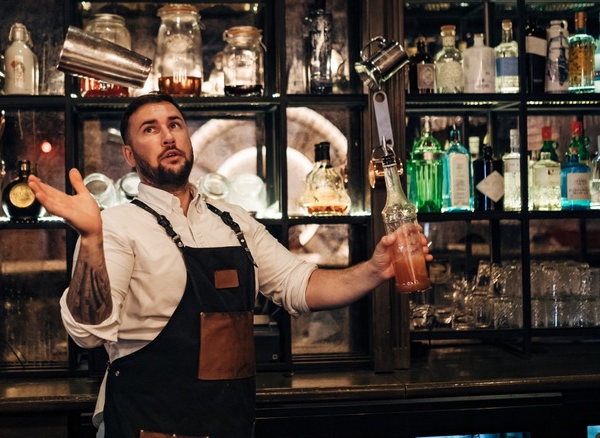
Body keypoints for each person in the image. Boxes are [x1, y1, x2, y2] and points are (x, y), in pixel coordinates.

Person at [27, 92, 432, 437]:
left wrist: (376, 268)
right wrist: (92, 239)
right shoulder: (115, 226)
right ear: (130, 155)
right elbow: (86, 333)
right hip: (145, 426)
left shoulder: (233, 220)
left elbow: (299, 284)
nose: (168, 136)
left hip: (229, 425)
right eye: (150, 129)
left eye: (175, 124)